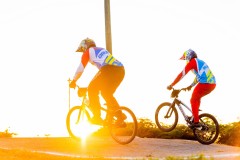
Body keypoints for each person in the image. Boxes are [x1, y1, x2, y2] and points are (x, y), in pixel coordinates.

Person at [69, 38, 126, 125]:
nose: (82, 52)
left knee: (92, 89)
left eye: (82, 49)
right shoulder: (101, 49)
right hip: (120, 70)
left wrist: (74, 81)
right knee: (106, 93)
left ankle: (97, 117)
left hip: (108, 70)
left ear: (85, 46)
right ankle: (120, 116)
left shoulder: (87, 52)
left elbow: (80, 69)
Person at [167, 49, 216, 128]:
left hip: (205, 84)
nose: (186, 61)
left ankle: (196, 122)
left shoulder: (192, 62)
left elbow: (182, 74)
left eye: (185, 59)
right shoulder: (199, 62)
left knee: (193, 100)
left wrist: (172, 84)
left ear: (188, 56)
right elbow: (198, 77)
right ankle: (195, 116)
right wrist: (190, 86)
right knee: (196, 98)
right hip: (212, 84)